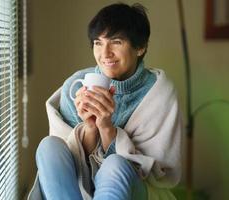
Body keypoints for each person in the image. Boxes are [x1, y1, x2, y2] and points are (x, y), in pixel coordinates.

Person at [28, 3, 182, 200]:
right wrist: (90, 127)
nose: (105, 53)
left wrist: (107, 129)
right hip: (76, 190)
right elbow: (67, 166)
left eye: (116, 42)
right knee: (49, 146)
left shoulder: (159, 93)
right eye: (98, 43)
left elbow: (158, 173)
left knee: (115, 165)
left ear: (140, 47)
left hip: (137, 188)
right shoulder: (75, 89)